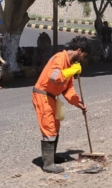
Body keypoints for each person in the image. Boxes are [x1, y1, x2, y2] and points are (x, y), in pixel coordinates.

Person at [32, 37, 91, 174]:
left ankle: (51, 157)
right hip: (42, 95)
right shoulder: (59, 58)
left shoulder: (70, 64)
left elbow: (68, 90)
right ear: (79, 50)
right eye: (84, 55)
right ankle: (48, 164)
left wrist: (79, 103)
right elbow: (55, 76)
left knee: (56, 126)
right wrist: (72, 71)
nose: (82, 58)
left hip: (52, 97)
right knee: (49, 127)